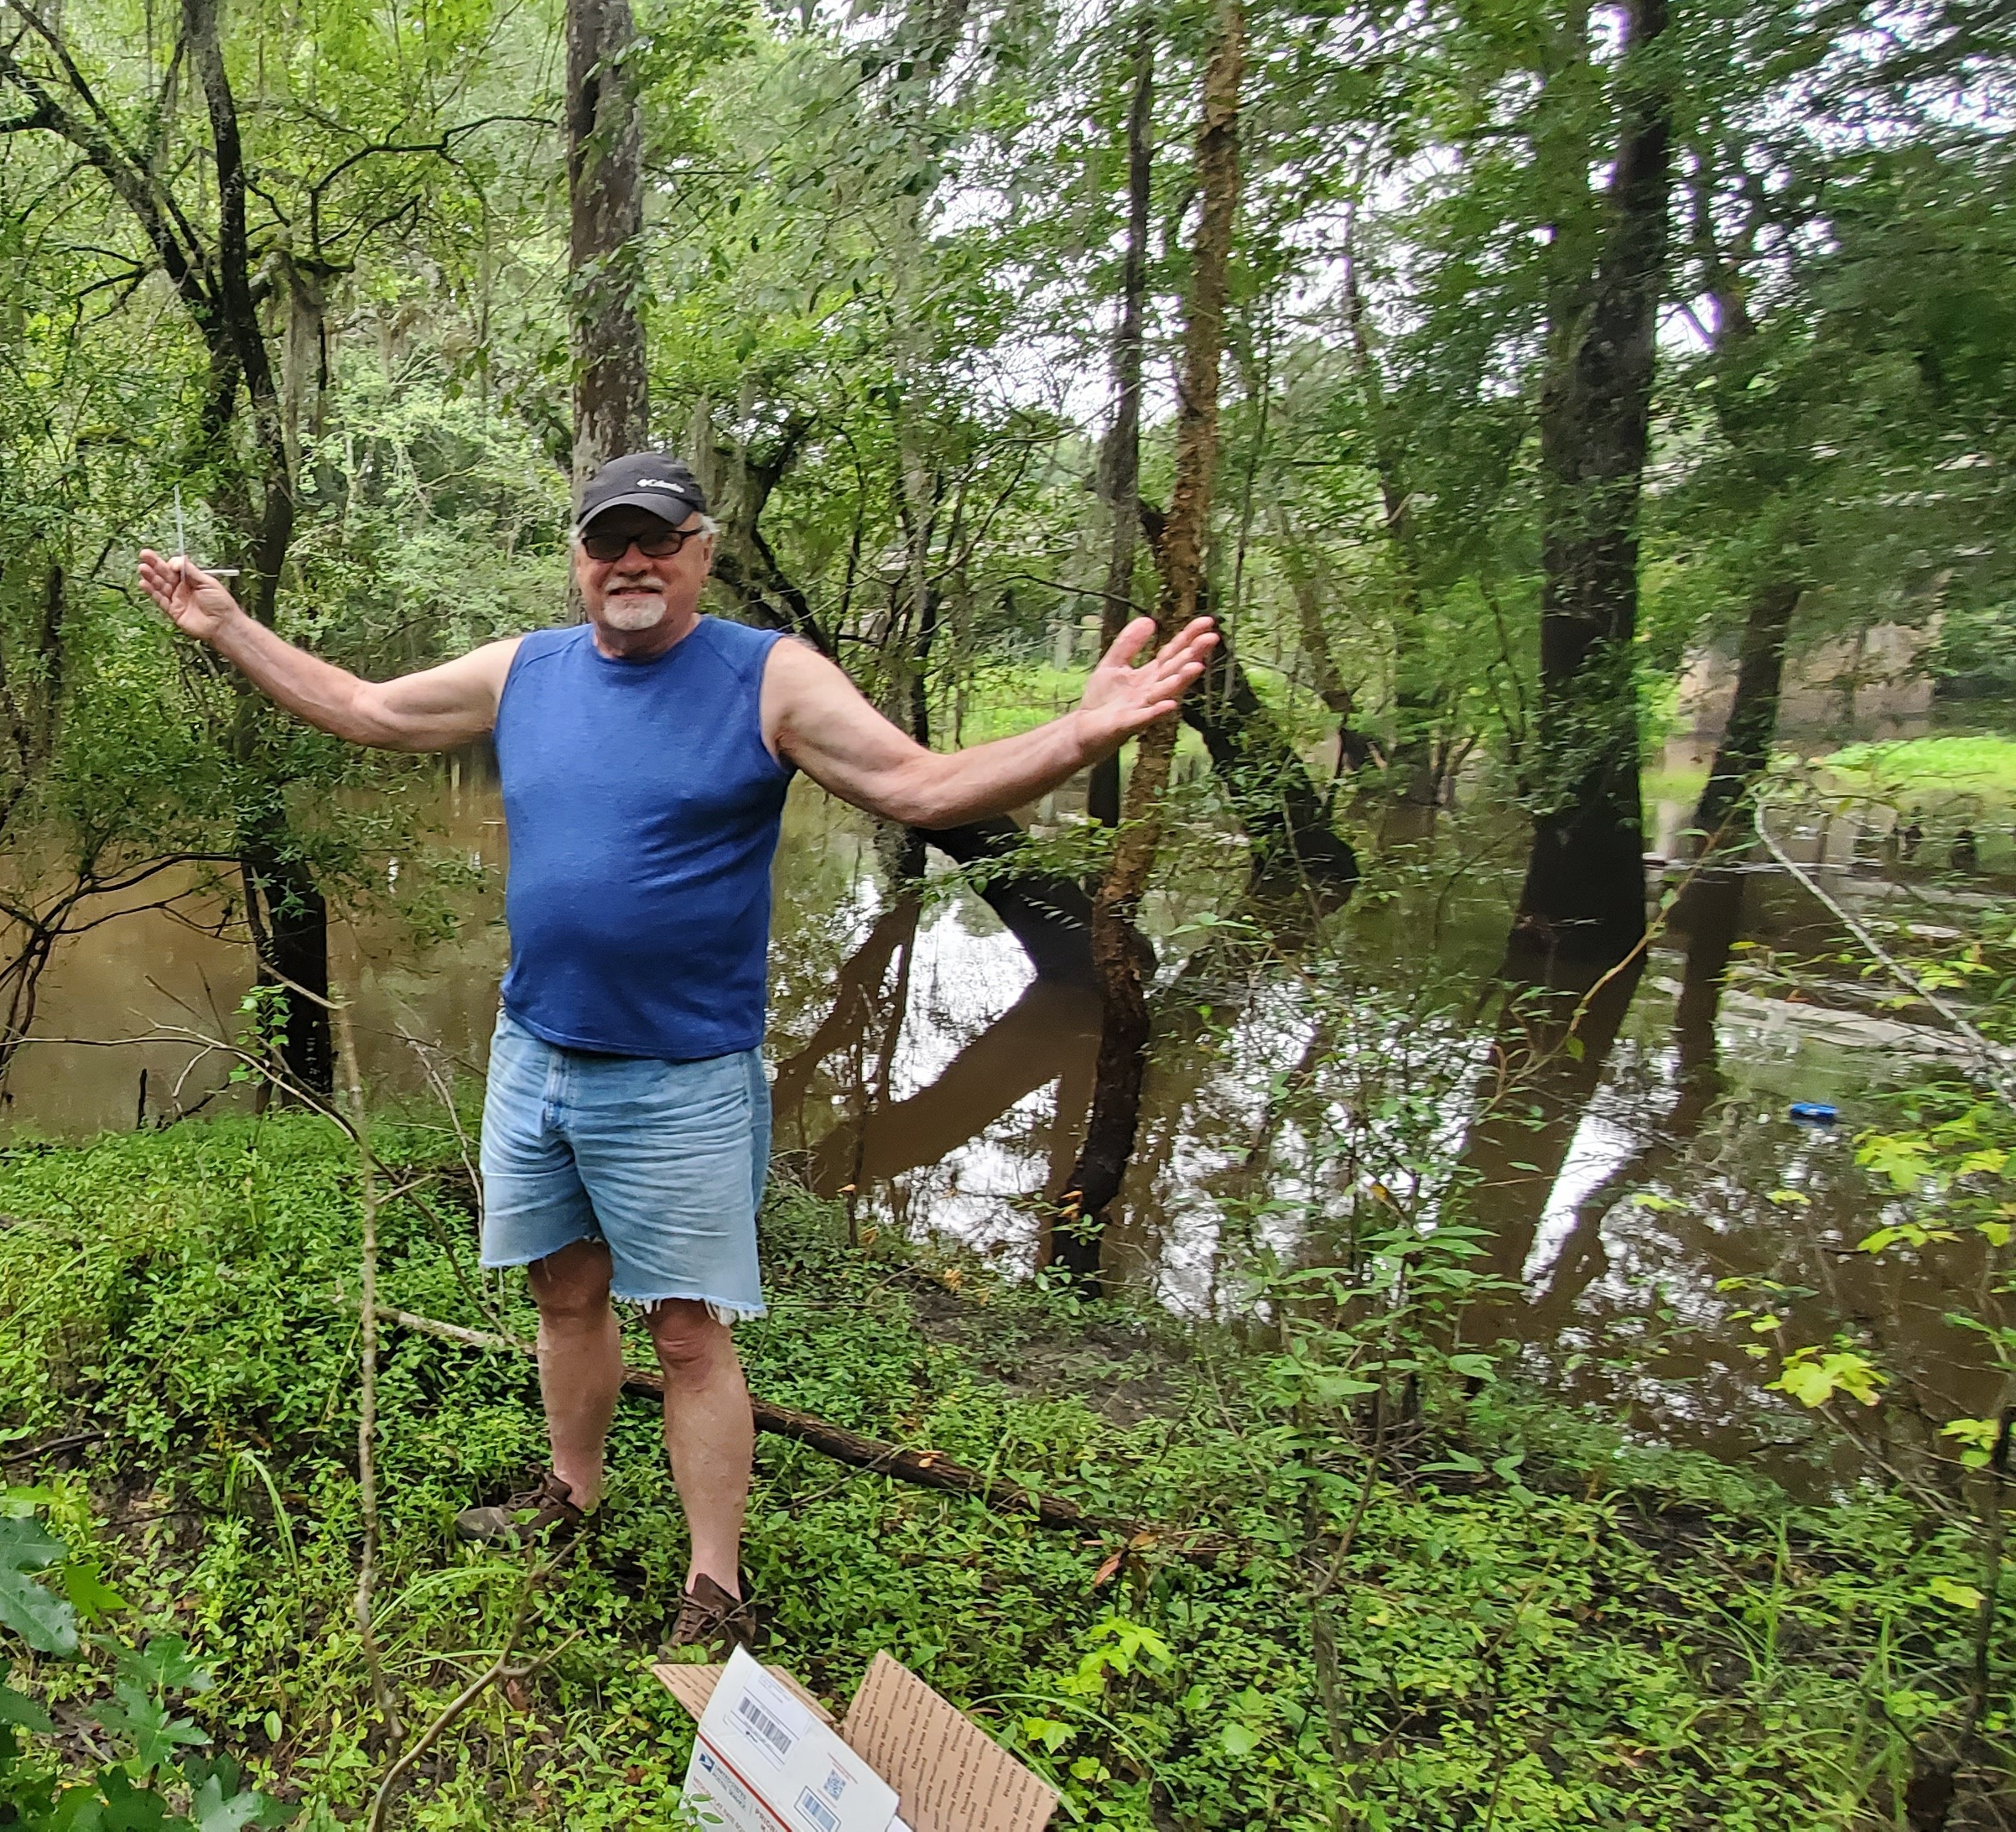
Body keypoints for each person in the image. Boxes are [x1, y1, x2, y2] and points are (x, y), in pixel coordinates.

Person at [133, 450, 1216, 1654]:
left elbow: (919, 784)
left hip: (683, 1079)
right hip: (537, 1054)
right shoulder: (528, 670)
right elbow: (370, 710)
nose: (631, 563)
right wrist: (225, 623)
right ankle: (573, 1491)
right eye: (608, 542)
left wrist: (1077, 734)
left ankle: (714, 1583)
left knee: (689, 1331)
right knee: (563, 1292)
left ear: (701, 550)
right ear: (579, 558)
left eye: (657, 541)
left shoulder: (769, 678)